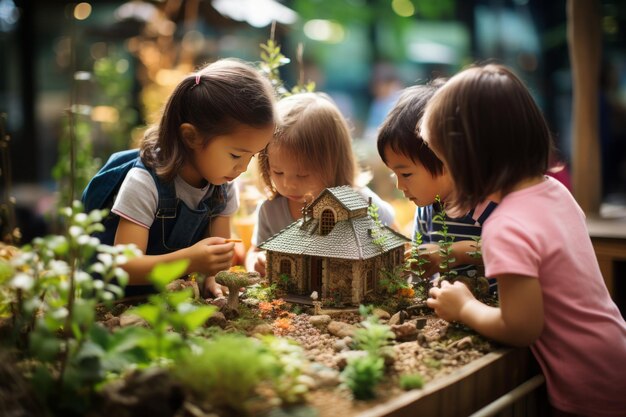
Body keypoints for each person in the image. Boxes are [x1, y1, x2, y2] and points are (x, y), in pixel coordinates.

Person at [423, 64, 626, 417]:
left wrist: (464, 307)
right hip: (611, 354)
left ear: (471, 157)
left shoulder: (506, 225)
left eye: (444, 161)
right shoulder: (553, 192)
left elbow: (520, 328)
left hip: (588, 387)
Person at [103, 58, 276, 297]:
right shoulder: (144, 184)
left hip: (177, 303)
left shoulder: (222, 187)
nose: (243, 168)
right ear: (191, 137)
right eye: (236, 155)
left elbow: (214, 263)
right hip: (123, 304)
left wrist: (212, 280)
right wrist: (189, 260)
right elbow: (124, 268)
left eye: (252, 156)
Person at [246, 92, 395, 276]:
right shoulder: (271, 211)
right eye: (278, 172)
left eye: (302, 175)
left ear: (334, 165)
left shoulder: (361, 203)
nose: (289, 184)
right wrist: (257, 261)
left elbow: (398, 244)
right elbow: (253, 252)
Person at [377, 82, 497, 290]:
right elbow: (423, 267)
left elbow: (507, 251)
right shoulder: (426, 209)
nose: (399, 185)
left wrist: (452, 252)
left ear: (445, 158)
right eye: (393, 173)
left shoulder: (483, 203)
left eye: (406, 174)